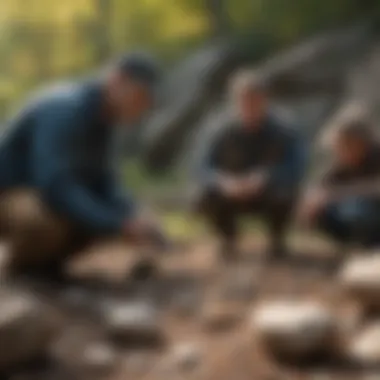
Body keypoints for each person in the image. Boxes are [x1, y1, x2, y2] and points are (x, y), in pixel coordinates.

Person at [0, 52, 167, 281]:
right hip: (10, 193)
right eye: (141, 96)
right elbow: (54, 183)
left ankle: (45, 268)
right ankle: (20, 273)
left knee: (93, 217)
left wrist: (130, 213)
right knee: (42, 221)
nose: (142, 107)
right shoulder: (64, 108)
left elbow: (103, 180)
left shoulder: (103, 120)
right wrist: (118, 223)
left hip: (37, 193)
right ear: (117, 80)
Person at [195, 70, 306, 261]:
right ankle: (227, 238)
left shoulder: (284, 129)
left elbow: (297, 166)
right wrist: (223, 181)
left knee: (288, 191)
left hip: (268, 191)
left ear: (265, 100)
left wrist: (266, 177)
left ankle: (277, 239)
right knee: (204, 194)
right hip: (231, 191)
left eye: (254, 100)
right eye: (243, 101)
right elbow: (201, 167)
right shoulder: (220, 130)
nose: (249, 106)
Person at [299, 118, 380, 249]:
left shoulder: (376, 155)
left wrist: (338, 194)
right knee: (325, 209)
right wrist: (312, 200)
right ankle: (353, 243)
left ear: (359, 142)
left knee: (356, 208)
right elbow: (324, 184)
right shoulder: (344, 161)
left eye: (344, 145)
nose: (339, 151)